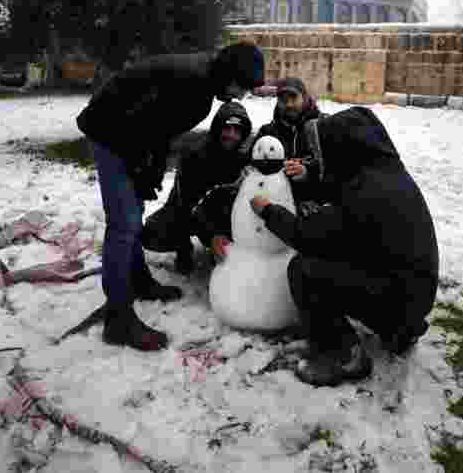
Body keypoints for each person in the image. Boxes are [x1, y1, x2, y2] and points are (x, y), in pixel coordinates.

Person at [76, 43, 265, 352]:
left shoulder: (202, 83)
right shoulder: (194, 87)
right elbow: (136, 125)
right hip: (109, 130)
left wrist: (150, 169)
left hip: (127, 132)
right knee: (123, 224)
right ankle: (118, 317)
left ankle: (138, 279)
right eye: (242, 85)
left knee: (133, 211)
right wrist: (141, 170)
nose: (241, 95)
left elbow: (161, 130)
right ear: (230, 73)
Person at [247, 107, 439, 386]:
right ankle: (399, 330)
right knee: (345, 258)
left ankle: (344, 355)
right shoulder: (385, 174)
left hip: (396, 295)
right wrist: (310, 177)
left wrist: (268, 211)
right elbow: (345, 198)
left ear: (343, 146)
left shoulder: (366, 191)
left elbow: (307, 236)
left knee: (304, 270)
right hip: (415, 295)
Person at [140, 100, 253, 275]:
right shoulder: (195, 154)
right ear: (217, 128)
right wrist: (211, 236)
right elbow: (186, 204)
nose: (231, 135)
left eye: (237, 131)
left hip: (222, 213)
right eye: (227, 128)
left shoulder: (244, 158)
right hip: (188, 210)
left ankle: (226, 246)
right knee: (151, 234)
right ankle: (183, 247)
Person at [249, 77, 325, 214]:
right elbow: (252, 165)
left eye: (293, 98)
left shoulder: (323, 127)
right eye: (283, 100)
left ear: (305, 97)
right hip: (275, 208)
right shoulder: (267, 132)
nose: (289, 104)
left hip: (317, 208)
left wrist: (308, 172)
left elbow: (338, 168)